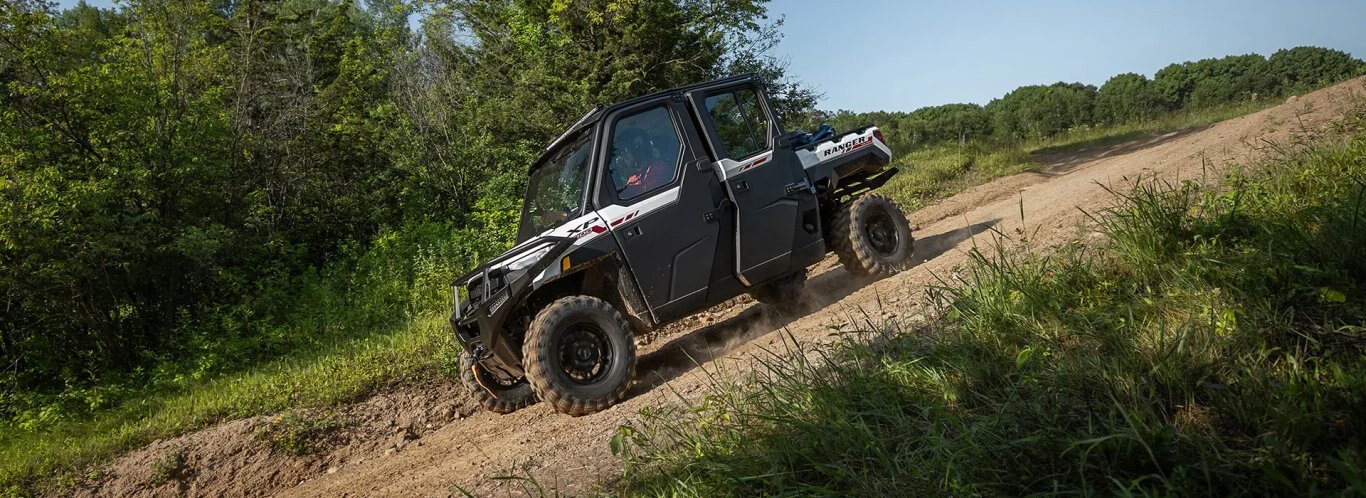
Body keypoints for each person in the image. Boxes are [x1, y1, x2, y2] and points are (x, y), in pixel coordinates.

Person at [612, 128, 669, 199]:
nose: (622, 155)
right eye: (620, 153)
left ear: (638, 148)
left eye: (625, 150)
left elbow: (652, 192)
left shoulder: (659, 166)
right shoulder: (632, 179)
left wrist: (624, 191)